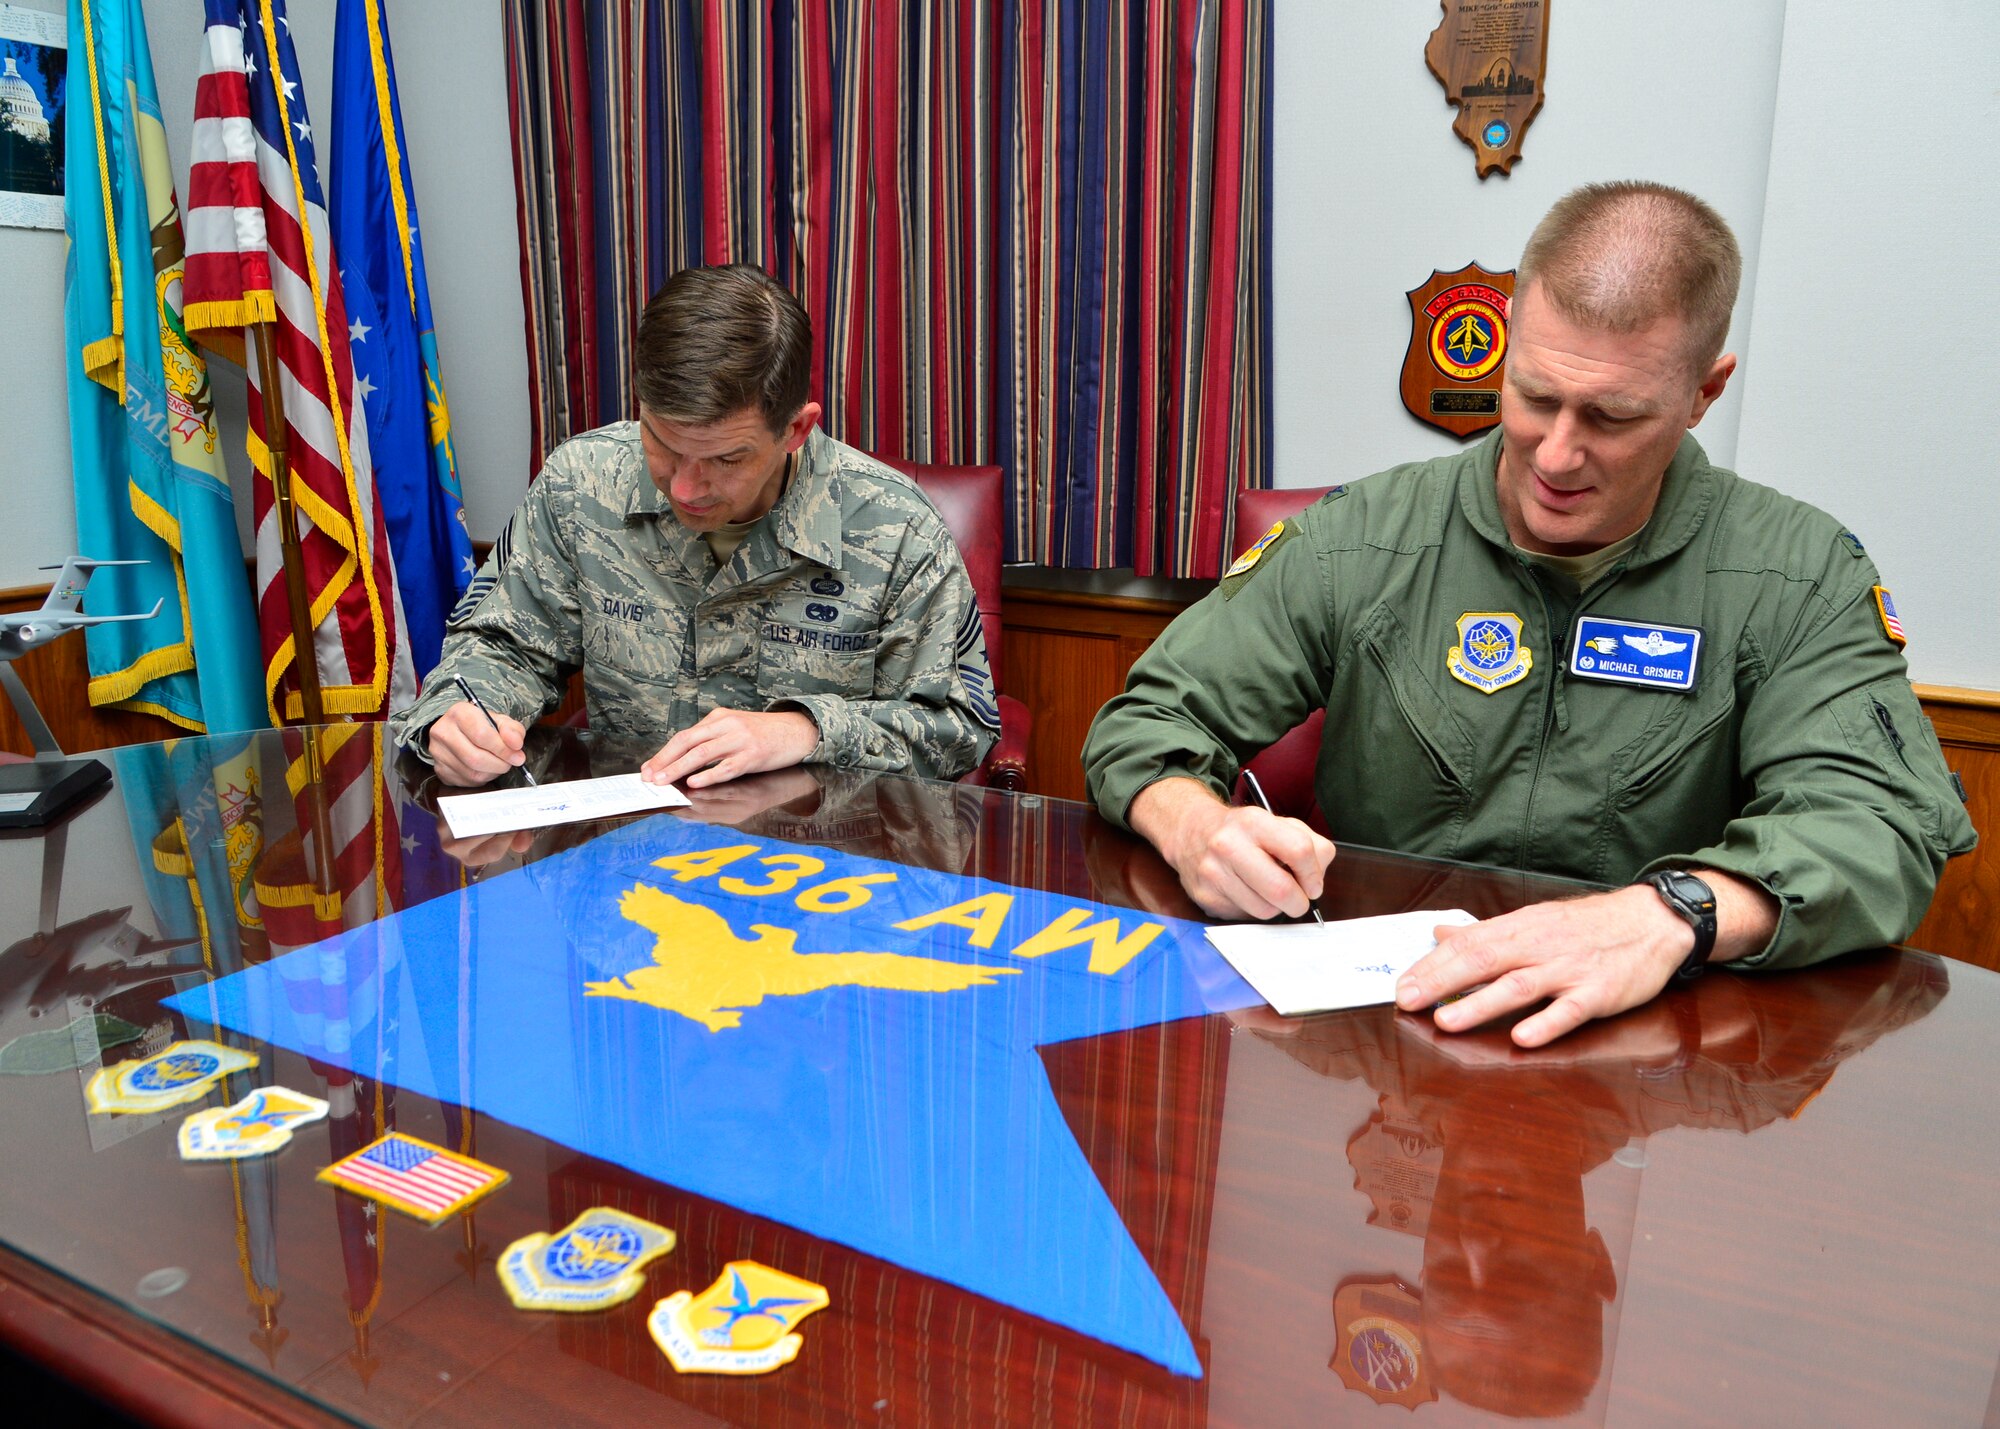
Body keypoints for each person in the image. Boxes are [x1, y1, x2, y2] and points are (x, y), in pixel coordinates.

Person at [1083, 181, 1974, 1048]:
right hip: (1388, 1038)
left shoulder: (1794, 574)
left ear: (1705, 392)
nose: (1556, 453)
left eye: (1613, 415)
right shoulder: (1369, 536)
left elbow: (1880, 824)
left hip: (1651, 1062)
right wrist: (1193, 823)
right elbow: (1151, 719)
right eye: (1535, 394)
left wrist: (1675, 913)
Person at [389, 264, 999, 788]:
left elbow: (960, 726)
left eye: (726, 460)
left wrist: (806, 730)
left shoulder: (896, 529)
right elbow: (501, 646)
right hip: (629, 867)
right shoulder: (582, 485)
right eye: (662, 444)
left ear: (795, 431)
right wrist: (463, 715)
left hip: (815, 878)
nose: (684, 487)